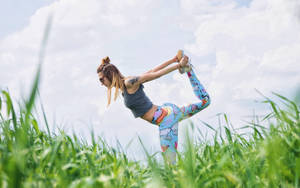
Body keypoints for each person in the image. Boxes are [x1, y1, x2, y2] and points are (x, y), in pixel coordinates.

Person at [97, 50, 210, 164]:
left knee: (170, 164)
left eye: (102, 79)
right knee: (205, 101)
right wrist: (174, 60)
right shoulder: (126, 85)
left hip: (166, 121)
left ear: (110, 75)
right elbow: (152, 71)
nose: (101, 83)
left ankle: (185, 67)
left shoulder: (129, 83)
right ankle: (188, 70)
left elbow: (156, 75)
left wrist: (178, 66)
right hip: (169, 113)